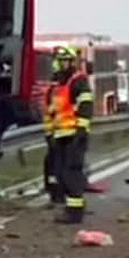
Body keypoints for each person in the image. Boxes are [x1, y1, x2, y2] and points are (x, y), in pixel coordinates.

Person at [50, 45, 93, 223]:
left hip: (75, 134)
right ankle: (71, 207)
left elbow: (86, 106)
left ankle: (75, 212)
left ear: (71, 62)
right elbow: (55, 109)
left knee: (71, 172)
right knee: (61, 173)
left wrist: (81, 131)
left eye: (65, 61)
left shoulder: (78, 81)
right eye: (60, 61)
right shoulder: (59, 83)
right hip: (61, 134)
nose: (62, 64)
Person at [42, 51, 66, 205]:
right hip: (58, 132)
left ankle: (54, 190)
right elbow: (53, 111)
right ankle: (57, 191)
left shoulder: (52, 89)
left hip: (53, 131)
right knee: (58, 164)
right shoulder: (58, 89)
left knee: (52, 163)